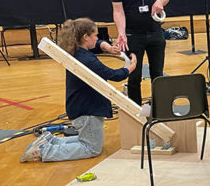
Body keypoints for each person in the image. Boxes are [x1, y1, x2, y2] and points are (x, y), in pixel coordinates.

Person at [20, 18, 137, 163]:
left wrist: (107, 47)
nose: (98, 38)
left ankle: (50, 141)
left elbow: (97, 45)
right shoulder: (88, 60)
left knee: (87, 139)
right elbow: (114, 75)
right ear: (86, 37)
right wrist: (131, 67)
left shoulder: (78, 51)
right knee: (92, 148)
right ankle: (45, 151)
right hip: (87, 111)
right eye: (95, 35)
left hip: (80, 107)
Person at [108, 0, 169, 105]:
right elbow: (118, 10)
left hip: (155, 32)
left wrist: (160, 2)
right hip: (132, 35)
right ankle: (136, 112)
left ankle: (159, 109)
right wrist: (121, 33)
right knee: (134, 77)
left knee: (158, 74)